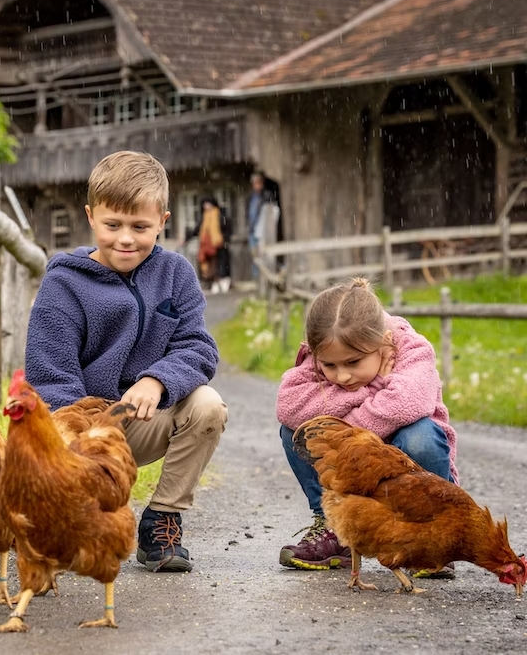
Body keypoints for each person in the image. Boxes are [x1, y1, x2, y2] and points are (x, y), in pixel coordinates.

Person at [25, 150, 228, 573]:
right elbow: (49, 373)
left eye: (141, 227)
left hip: (140, 420)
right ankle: (69, 518)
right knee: (64, 536)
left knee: (208, 405)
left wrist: (157, 380)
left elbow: (199, 347)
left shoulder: (176, 274)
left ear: (163, 222)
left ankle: (162, 521)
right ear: (91, 217)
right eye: (112, 225)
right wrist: (86, 431)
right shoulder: (64, 284)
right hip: (78, 431)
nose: (125, 239)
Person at [275, 277, 458, 577]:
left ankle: (433, 534)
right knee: (298, 431)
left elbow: (405, 404)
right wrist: (373, 387)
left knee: (420, 436)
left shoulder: (412, 349)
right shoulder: (322, 351)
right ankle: (337, 528)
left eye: (353, 362)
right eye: (329, 366)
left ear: (383, 342)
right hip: (356, 472)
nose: (342, 376)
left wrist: (347, 429)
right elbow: (290, 405)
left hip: (407, 473)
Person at [188, 196, 231, 293]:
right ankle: (213, 283)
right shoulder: (205, 217)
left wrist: (224, 240)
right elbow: (197, 229)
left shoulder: (220, 215)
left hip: (219, 244)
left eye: (208, 204)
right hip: (208, 246)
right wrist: (187, 237)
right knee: (211, 265)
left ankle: (224, 281)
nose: (206, 207)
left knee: (222, 264)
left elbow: (226, 228)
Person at [247, 171, 283, 275]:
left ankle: (267, 277)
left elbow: (271, 212)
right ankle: (257, 278)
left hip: (263, 230)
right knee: (255, 256)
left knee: (265, 255)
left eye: (258, 183)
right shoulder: (252, 197)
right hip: (253, 229)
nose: (256, 185)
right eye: (254, 183)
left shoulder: (267, 195)